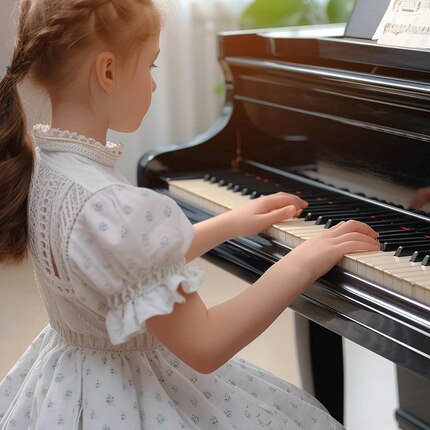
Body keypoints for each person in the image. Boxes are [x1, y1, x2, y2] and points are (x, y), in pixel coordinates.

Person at [0, 0, 380, 428]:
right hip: (131, 394)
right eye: (151, 67)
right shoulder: (109, 203)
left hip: (75, 381)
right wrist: (303, 261)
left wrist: (232, 222)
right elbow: (206, 343)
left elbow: (125, 267)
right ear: (107, 72)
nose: (153, 84)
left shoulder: (48, 166)